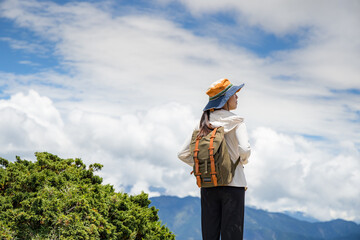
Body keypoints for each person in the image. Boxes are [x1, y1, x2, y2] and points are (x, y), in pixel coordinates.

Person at [178, 78, 251, 240]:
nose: (237, 97)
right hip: (234, 184)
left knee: (209, 235)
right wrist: (242, 162)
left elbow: (182, 154)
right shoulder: (237, 122)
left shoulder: (202, 124)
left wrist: (203, 165)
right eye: (234, 94)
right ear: (225, 99)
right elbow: (244, 149)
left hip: (208, 183)